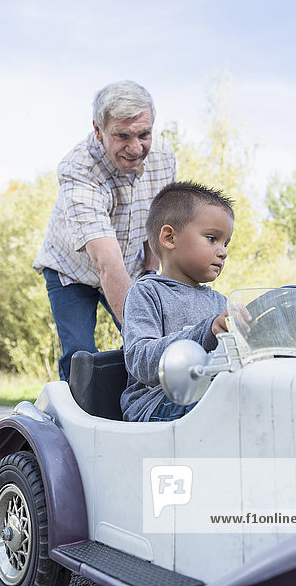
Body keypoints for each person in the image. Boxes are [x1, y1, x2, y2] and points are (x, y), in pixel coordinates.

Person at [33, 81, 176, 382]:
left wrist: (151, 271)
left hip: (132, 266)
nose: (136, 149)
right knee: (81, 354)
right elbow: (106, 262)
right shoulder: (78, 170)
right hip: (73, 271)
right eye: (122, 136)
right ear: (98, 131)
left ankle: (137, 412)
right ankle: (75, 422)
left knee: (151, 342)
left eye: (144, 134)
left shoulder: (163, 156)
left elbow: (159, 220)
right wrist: (141, 329)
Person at [121, 181, 235, 422]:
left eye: (225, 244)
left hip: (209, 395)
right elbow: (141, 361)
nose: (223, 251)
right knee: (221, 408)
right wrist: (206, 332)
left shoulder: (220, 302)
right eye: (212, 238)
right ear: (170, 237)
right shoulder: (146, 293)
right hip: (156, 404)